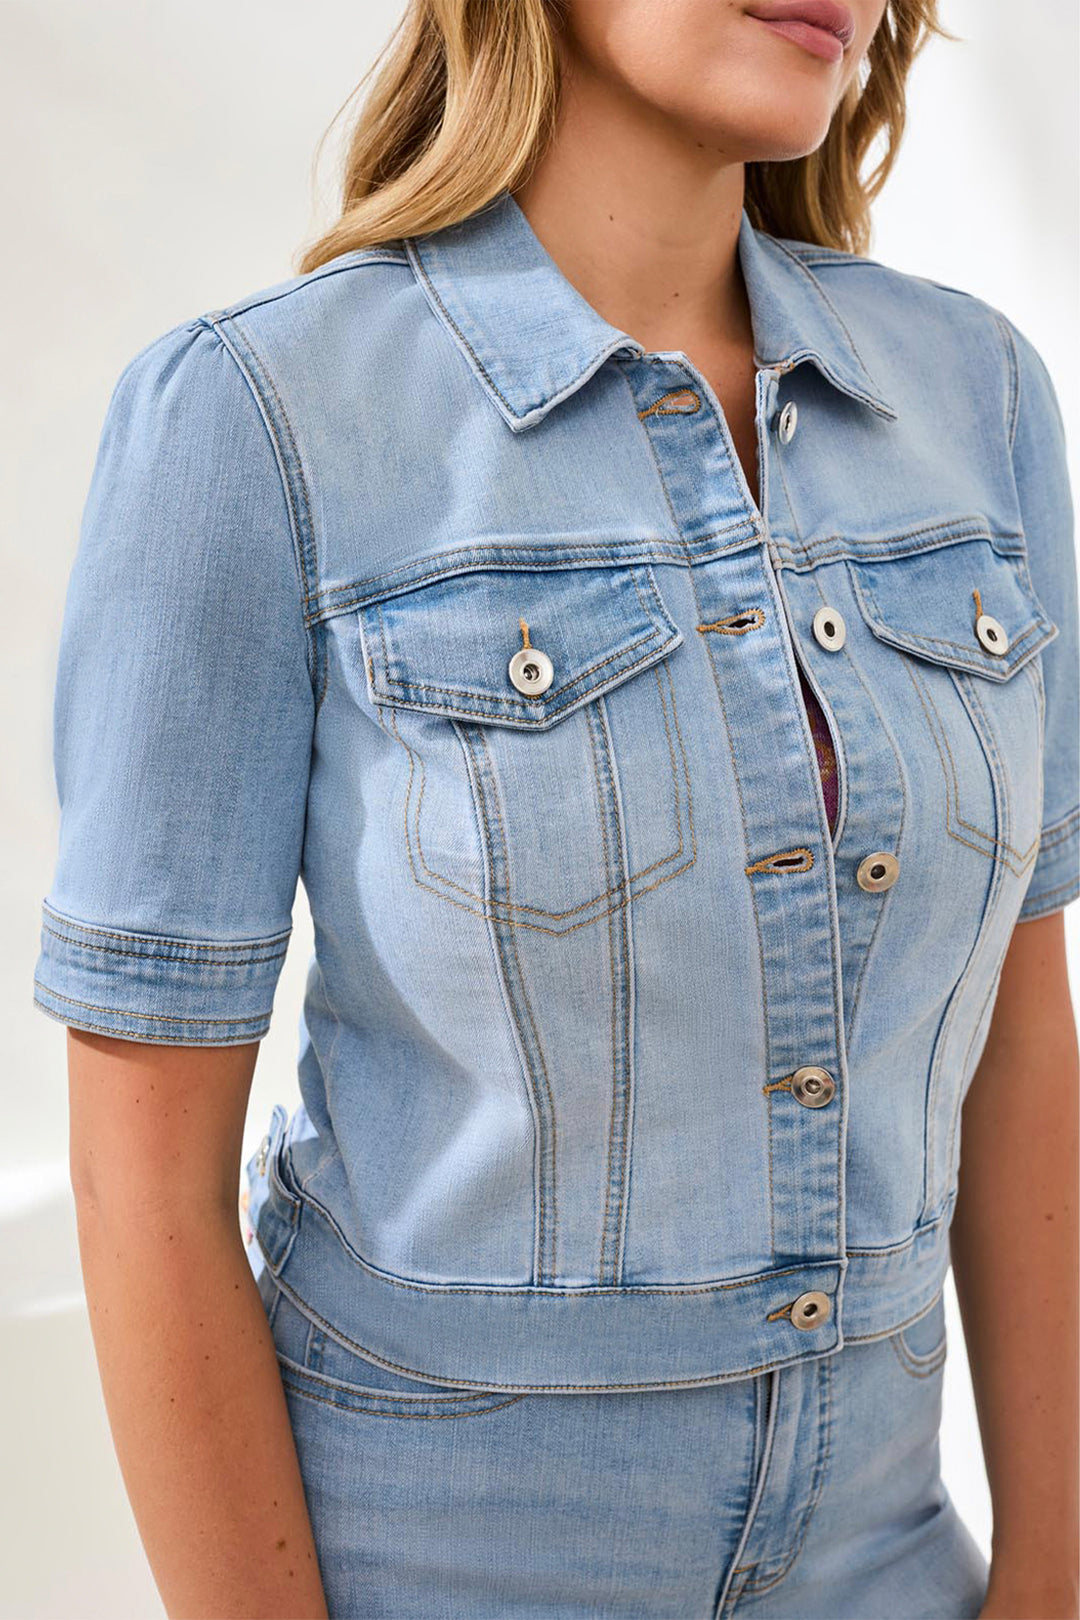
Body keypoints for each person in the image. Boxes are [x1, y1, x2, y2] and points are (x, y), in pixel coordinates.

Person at [34, 0, 1079, 1615]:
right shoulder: (256, 422)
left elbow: (1021, 1037)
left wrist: (1057, 1575)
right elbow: (140, 1184)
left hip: (890, 1562)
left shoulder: (980, 403)